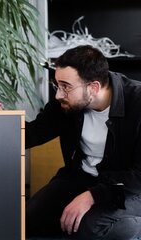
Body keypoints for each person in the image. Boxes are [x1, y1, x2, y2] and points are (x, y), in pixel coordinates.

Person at [25, 45, 141, 240]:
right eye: (57, 85)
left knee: (88, 228)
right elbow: (35, 132)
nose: (58, 95)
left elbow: (139, 177)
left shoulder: (137, 102)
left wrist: (93, 196)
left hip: (127, 188)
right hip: (81, 178)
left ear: (93, 87)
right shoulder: (67, 103)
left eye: (66, 87)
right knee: (29, 220)